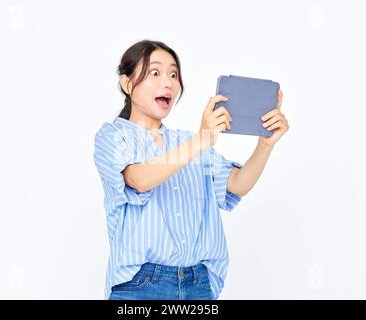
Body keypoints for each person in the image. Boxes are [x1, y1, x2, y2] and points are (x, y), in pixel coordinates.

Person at [93, 39, 289, 300]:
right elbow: (138, 179)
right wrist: (200, 140)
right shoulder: (113, 135)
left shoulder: (190, 142)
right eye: (155, 72)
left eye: (173, 74)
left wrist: (265, 146)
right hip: (140, 286)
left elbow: (238, 184)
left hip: (198, 284)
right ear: (126, 83)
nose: (168, 82)